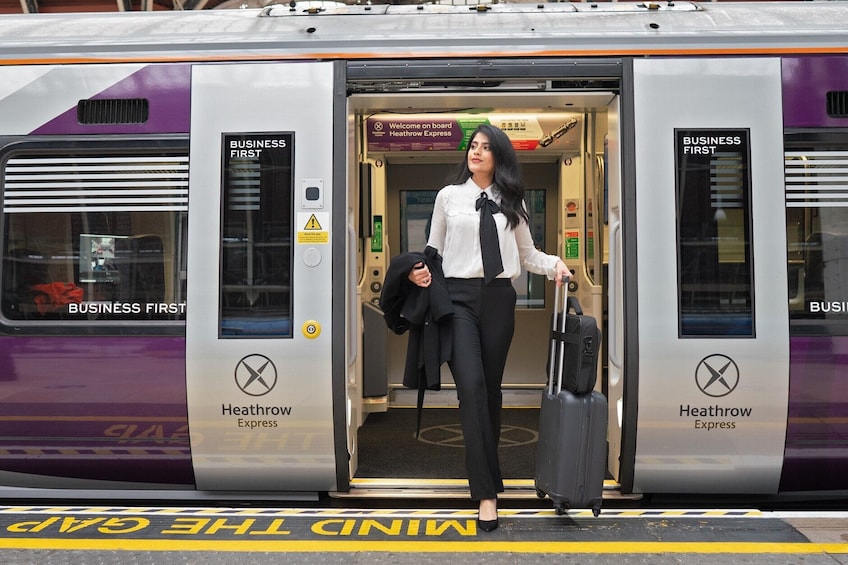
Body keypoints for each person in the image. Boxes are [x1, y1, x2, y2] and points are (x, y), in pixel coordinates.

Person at [408, 124, 571, 532]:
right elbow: (433, 250)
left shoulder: (512, 200)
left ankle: (488, 474)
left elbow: (527, 254)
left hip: (499, 300)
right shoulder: (449, 197)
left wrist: (555, 265)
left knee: (491, 392)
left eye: (485, 148)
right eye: (472, 146)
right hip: (458, 299)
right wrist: (416, 273)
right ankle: (486, 493)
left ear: (499, 156)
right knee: (473, 389)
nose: (476, 152)